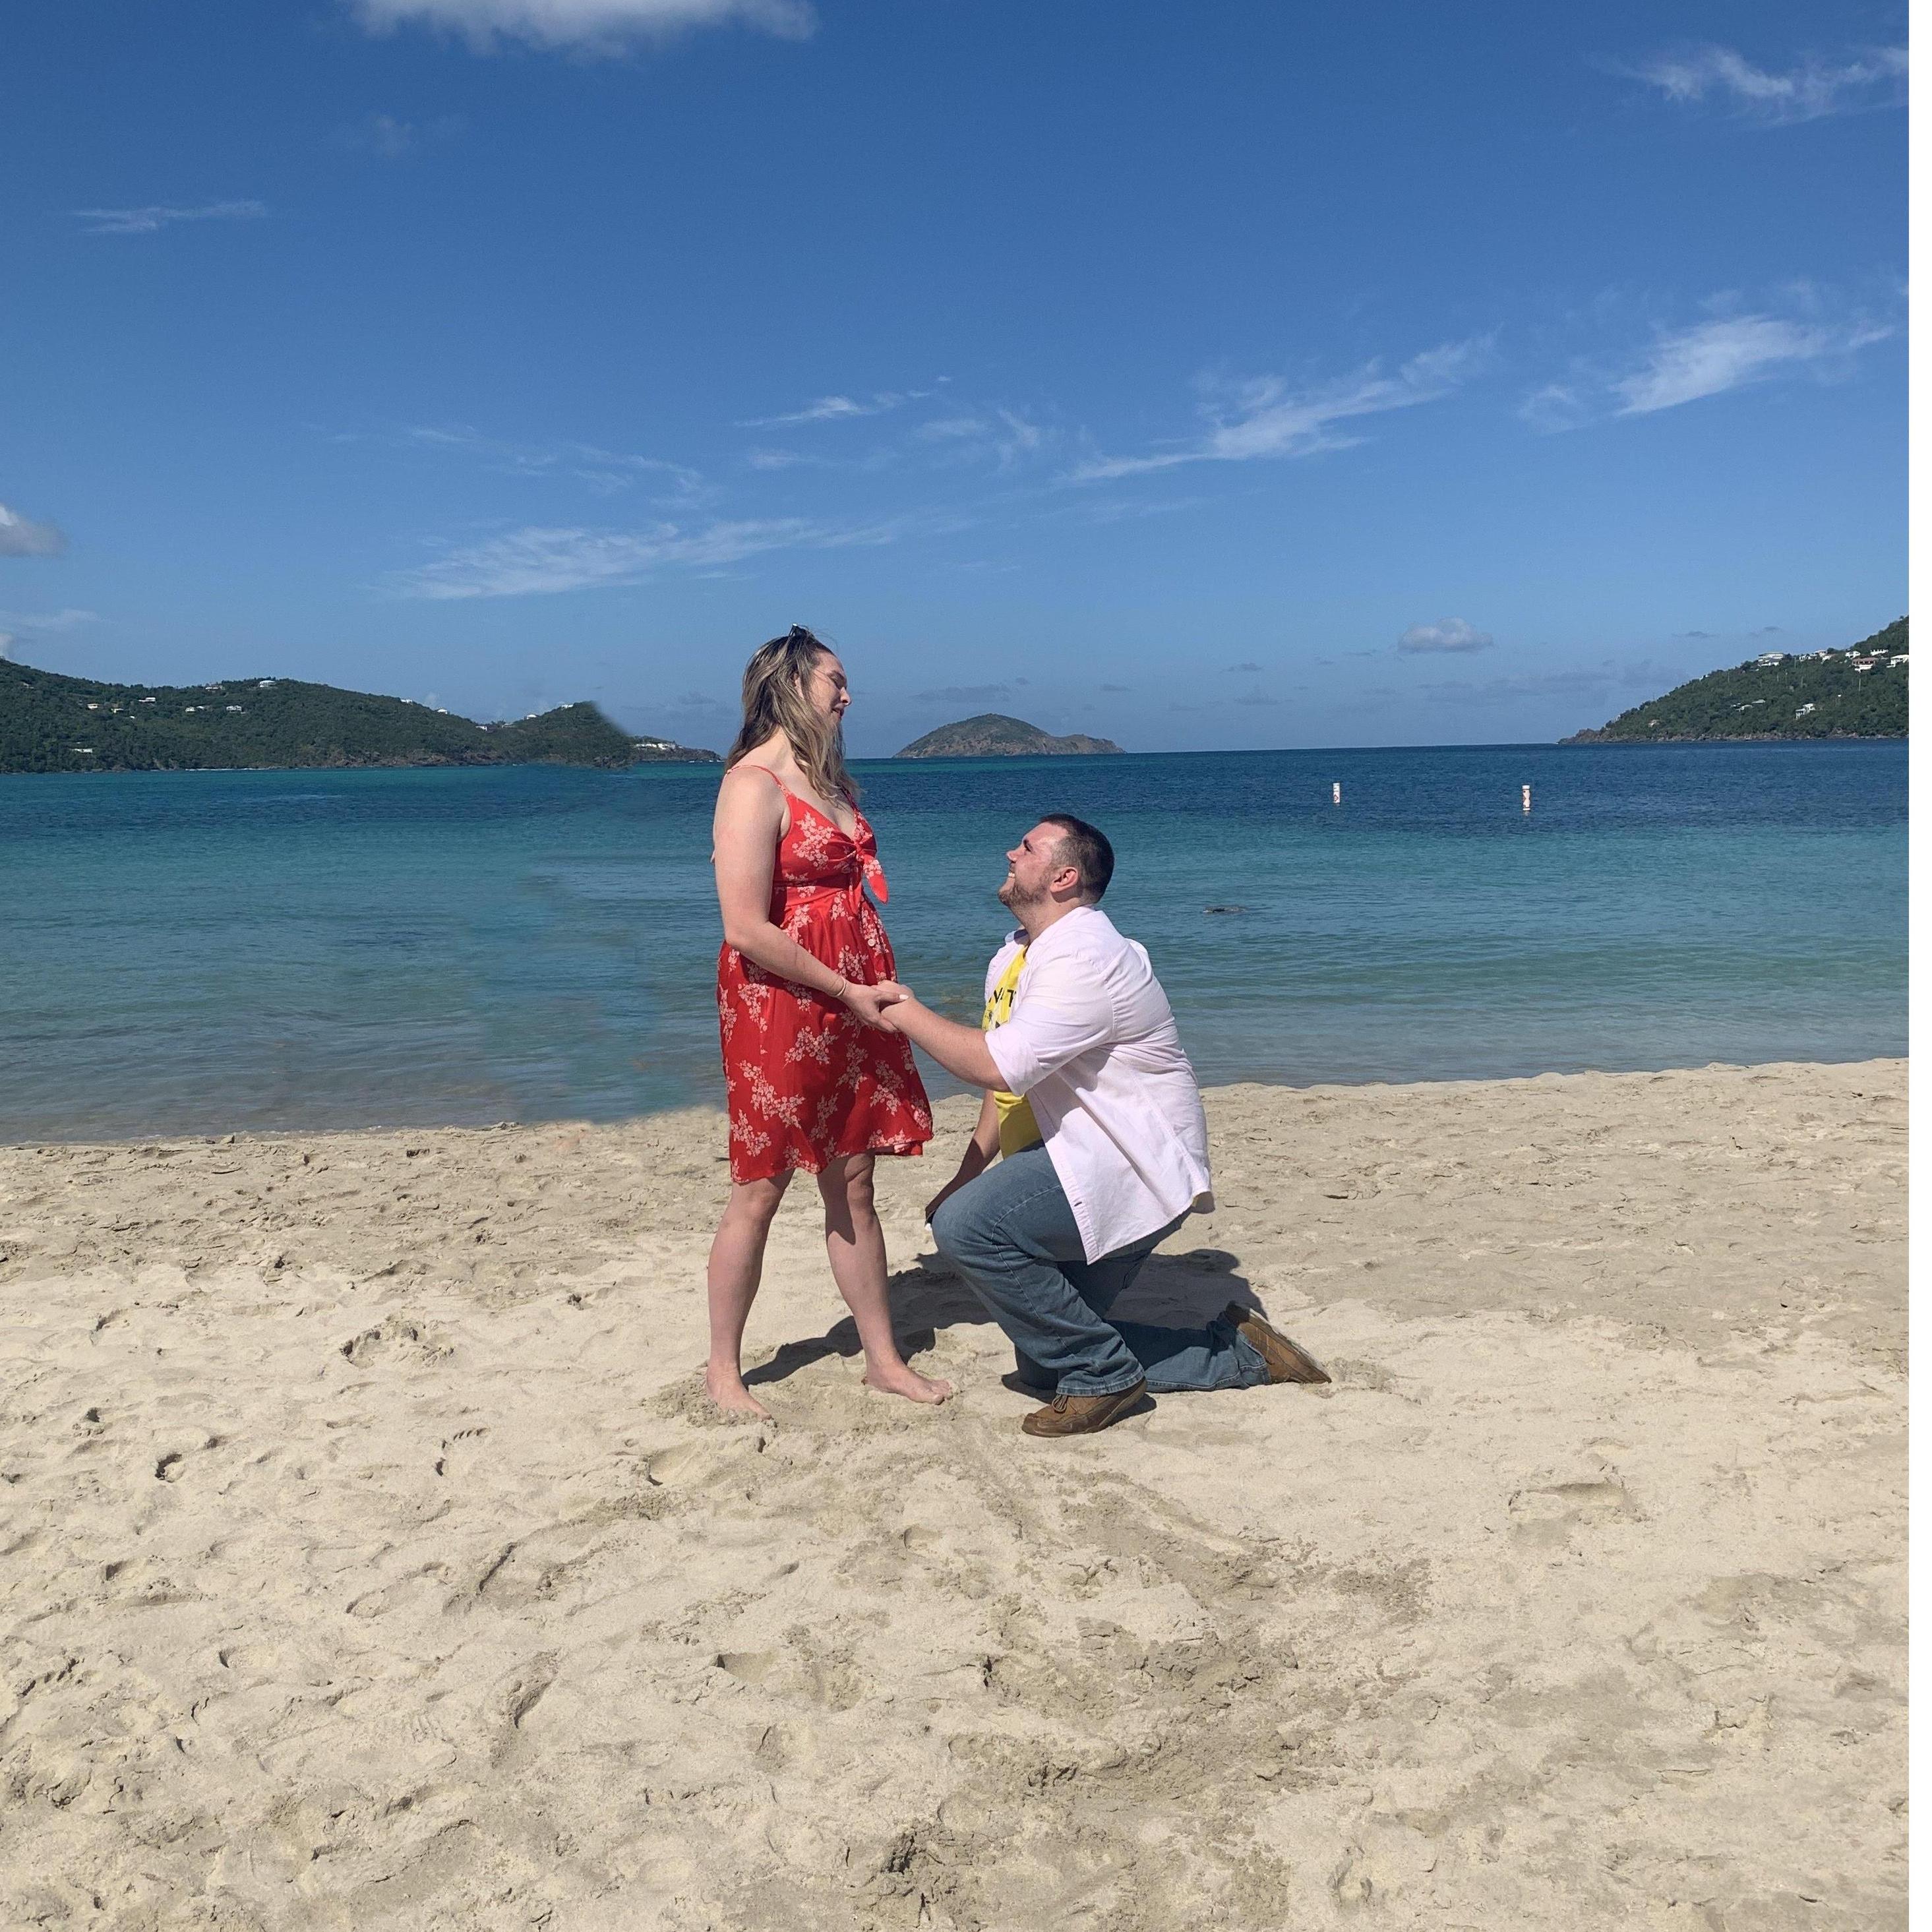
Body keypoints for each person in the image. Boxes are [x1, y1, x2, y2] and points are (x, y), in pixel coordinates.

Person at [878, 814, 1328, 1437]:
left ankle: (1104, 1377)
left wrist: (901, 1010)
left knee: (968, 1228)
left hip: (1134, 1166)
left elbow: (995, 1064)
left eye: (1027, 847)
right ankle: (1243, 1352)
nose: (1010, 851)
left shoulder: (1085, 959)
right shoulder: (1018, 952)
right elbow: (1009, 1076)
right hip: (1091, 1156)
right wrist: (970, 1169)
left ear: (1063, 877)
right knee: (1042, 1361)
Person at [706, 626, 950, 1419]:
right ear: (790, 685)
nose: (848, 695)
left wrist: (864, 985)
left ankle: (881, 1357)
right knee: (763, 1184)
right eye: (834, 681)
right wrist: (843, 987)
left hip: (851, 995)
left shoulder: (829, 780)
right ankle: (723, 1369)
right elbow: (745, 926)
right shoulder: (754, 784)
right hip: (780, 997)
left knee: (853, 1174)